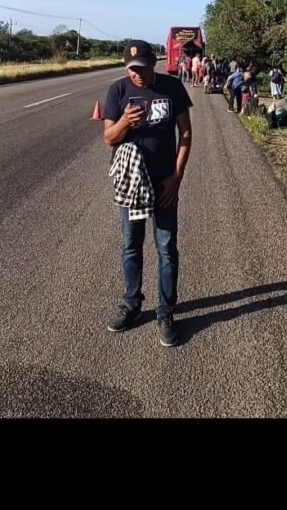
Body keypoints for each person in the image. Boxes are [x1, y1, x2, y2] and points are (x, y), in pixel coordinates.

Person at [103, 40, 193, 347]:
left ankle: (166, 311)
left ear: (153, 64)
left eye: (142, 68)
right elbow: (108, 137)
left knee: (166, 248)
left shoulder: (172, 88)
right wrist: (126, 122)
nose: (137, 75)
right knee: (131, 245)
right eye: (131, 70)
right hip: (131, 184)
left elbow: (186, 134)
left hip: (164, 182)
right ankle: (132, 304)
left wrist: (176, 178)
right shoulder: (118, 91)